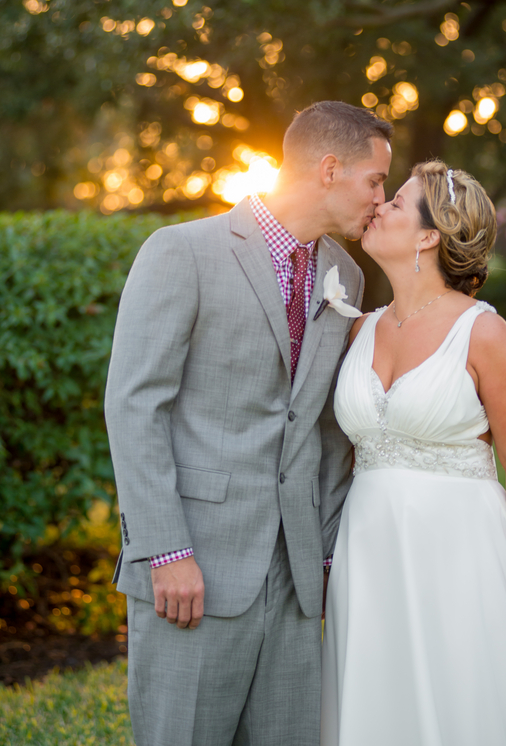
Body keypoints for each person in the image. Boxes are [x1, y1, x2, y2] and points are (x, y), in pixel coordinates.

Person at [104, 101, 393, 746]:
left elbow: (323, 425)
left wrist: (320, 551)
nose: (382, 199)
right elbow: (134, 405)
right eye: (375, 181)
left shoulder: (344, 274)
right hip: (192, 567)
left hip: (294, 580)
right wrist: (166, 550)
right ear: (328, 169)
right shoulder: (182, 251)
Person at [321, 160, 506, 746]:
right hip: (369, 549)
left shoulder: (486, 335)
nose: (380, 206)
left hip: (459, 550)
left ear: (430, 236)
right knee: (379, 696)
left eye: (398, 203)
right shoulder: (361, 330)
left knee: (459, 697)